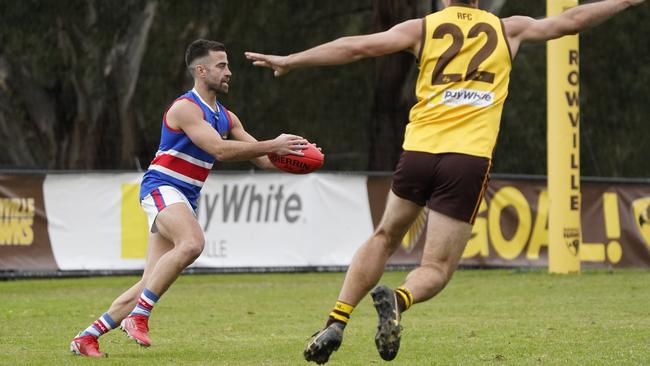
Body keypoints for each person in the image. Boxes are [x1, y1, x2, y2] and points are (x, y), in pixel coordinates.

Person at [246, 0, 646, 363]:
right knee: (436, 268)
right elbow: (571, 21)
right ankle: (399, 299)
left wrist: (293, 59)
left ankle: (336, 320)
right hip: (467, 159)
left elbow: (357, 46)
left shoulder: (423, 27)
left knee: (384, 235)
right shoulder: (509, 28)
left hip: (420, 151)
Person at [70, 39, 309, 357]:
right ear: (200, 70)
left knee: (148, 283)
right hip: (161, 187)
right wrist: (273, 144)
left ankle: (87, 337)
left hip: (184, 196)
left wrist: (295, 160)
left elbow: (263, 160)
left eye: (228, 65)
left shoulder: (227, 117)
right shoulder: (185, 108)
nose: (229, 72)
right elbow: (220, 150)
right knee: (193, 243)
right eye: (221, 65)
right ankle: (139, 316)